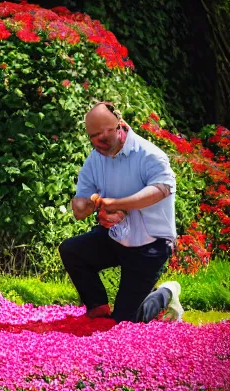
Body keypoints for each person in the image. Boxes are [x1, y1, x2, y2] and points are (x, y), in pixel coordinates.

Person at [59, 101, 179, 323]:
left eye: (106, 136)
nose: (101, 143)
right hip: (117, 238)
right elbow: (79, 208)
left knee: (126, 322)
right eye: (95, 137)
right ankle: (98, 309)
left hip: (151, 245)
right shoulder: (95, 158)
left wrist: (117, 204)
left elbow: (161, 190)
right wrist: (94, 206)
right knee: (71, 250)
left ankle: (165, 293)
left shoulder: (150, 154)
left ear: (121, 126)